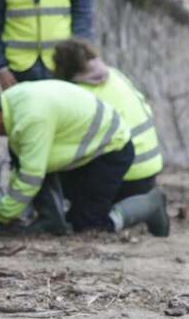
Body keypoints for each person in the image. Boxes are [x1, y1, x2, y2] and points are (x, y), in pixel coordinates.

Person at [0, 81, 133, 233]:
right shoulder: (13, 102)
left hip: (111, 151)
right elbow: (24, 166)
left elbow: (31, 177)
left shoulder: (31, 118)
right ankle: (51, 220)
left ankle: (149, 206)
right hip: (89, 151)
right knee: (72, 217)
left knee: (89, 225)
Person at [53, 38, 169, 236]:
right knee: (79, 215)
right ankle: (145, 202)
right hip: (148, 170)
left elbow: (73, 149)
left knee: (88, 224)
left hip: (126, 174)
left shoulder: (80, 93)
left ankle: (148, 206)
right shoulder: (115, 74)